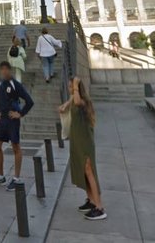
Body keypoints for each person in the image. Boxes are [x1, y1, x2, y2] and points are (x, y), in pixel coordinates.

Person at [59, 76, 105, 220]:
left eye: (71, 87)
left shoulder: (84, 101)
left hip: (85, 142)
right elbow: (72, 100)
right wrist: (65, 105)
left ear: (77, 89)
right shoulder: (74, 99)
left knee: (89, 171)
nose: (69, 89)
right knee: (84, 172)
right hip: (78, 141)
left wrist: (76, 85)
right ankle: (91, 201)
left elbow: (77, 101)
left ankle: (99, 207)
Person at [0, 61, 34, 191]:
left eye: (5, 69)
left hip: (12, 120)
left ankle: (16, 178)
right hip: (2, 120)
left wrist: (20, 113)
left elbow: (29, 101)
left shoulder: (16, 85)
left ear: (10, 70)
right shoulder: (0, 83)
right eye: (1, 69)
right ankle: (0, 176)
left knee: (15, 147)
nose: (3, 72)